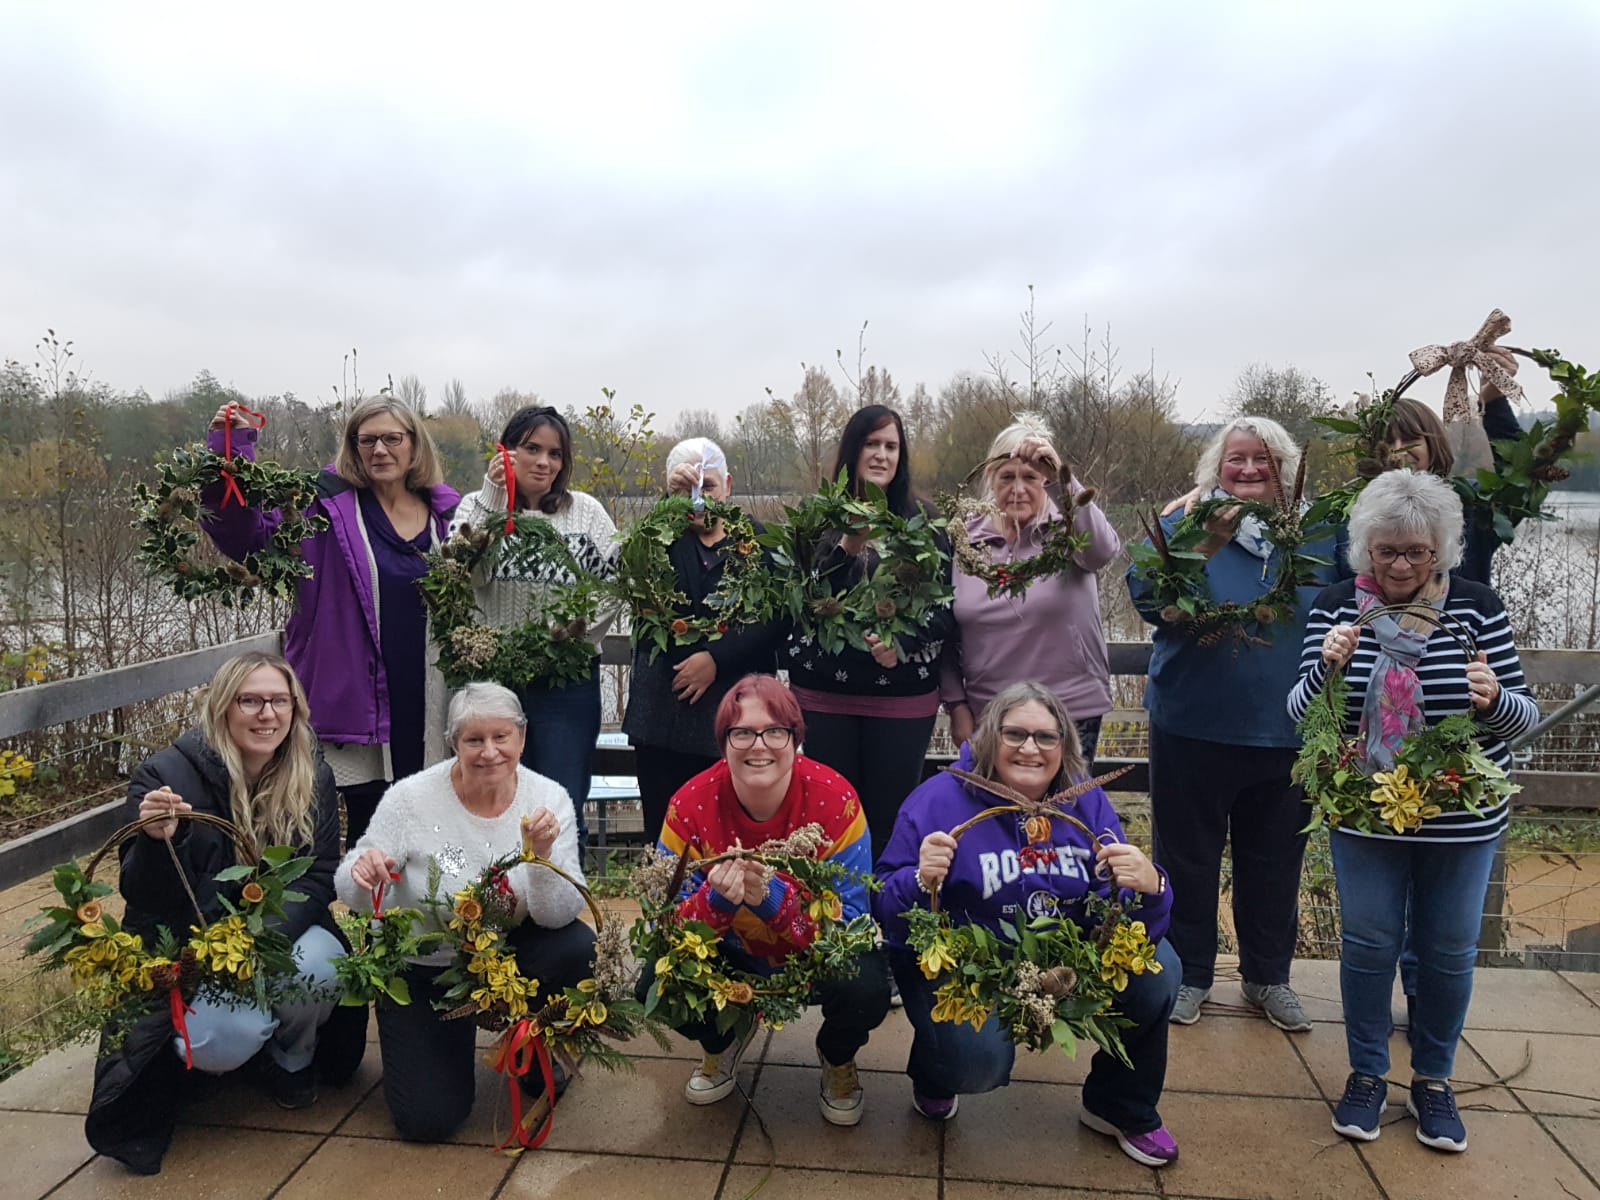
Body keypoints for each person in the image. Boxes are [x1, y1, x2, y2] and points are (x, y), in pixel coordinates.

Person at [1288, 470, 1538, 1153]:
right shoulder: (1339, 608)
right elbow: (1301, 718)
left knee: (1450, 951)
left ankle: (1434, 1079)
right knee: (1369, 945)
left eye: (1416, 552)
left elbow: (1524, 718)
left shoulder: (1477, 608)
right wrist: (1326, 668)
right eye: (1386, 550)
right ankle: (1367, 1073)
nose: (1399, 565)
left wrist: (1493, 700)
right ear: (1364, 548)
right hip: (1366, 811)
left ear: (1441, 552)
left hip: (1461, 818)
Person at [875, 681, 1181, 1166]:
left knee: (1159, 968)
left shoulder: (1086, 804)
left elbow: (1117, 908)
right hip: (966, 967)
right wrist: (918, 878)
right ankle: (937, 1068)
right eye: (1014, 734)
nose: (1030, 748)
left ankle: (1120, 1103)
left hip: (1062, 959)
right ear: (988, 738)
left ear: (1065, 745)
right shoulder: (936, 802)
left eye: (1046, 737)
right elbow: (886, 910)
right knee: (976, 1066)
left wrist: (1151, 888)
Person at [85, 653, 365, 1174]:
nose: (266, 714)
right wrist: (156, 842)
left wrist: (259, 945)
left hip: (277, 933)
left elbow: (318, 873)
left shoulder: (311, 773)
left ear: (295, 709)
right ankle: (218, 1058)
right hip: (196, 940)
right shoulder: (165, 776)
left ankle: (291, 1060)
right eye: (250, 700)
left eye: (279, 701)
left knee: (322, 967)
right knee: (219, 1038)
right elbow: (142, 894)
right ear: (223, 707)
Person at [1126, 416, 1333, 1031]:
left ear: (1285, 471)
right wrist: (1201, 543)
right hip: (1193, 722)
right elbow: (1144, 597)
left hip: (1286, 730)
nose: (1247, 470)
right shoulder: (1183, 524)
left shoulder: (1320, 535)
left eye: (1262, 460)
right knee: (1186, 858)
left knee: (1274, 861)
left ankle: (1267, 976)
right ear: (1216, 468)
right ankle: (1188, 974)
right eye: (1235, 459)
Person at [335, 682, 594, 1142]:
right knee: (427, 1121)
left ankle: (540, 1052)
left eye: (502, 737)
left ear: (522, 737)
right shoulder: (410, 798)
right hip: (428, 961)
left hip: (514, 954)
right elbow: (351, 881)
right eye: (474, 740)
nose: (489, 752)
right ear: (454, 742)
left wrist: (542, 856)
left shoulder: (549, 798)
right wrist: (363, 873)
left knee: (576, 947)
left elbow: (558, 915)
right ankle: (439, 1051)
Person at [204, 397, 459, 844]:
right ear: (353, 448)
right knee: (371, 825)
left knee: (435, 824)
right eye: (367, 440)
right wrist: (232, 451)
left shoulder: (448, 516)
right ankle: (368, 911)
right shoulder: (320, 509)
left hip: (428, 696)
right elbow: (246, 536)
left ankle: (451, 906)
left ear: (415, 446)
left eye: (392, 438)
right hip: (360, 697)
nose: (380, 450)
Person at [640, 674, 891, 1126]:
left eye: (776, 731)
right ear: (723, 742)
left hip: (811, 956)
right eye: (742, 732)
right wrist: (714, 904)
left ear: (796, 739)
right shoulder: (690, 805)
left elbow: (853, 922)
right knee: (651, 984)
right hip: (730, 956)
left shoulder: (836, 801)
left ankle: (836, 1055)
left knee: (866, 981)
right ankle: (724, 1038)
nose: (760, 745)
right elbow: (663, 922)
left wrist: (773, 899)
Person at [784, 405, 955, 865]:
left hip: (901, 699)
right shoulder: (816, 518)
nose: (881, 455)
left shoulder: (924, 522)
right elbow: (802, 601)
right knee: (829, 823)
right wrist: (849, 544)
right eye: (871, 444)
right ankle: (837, 925)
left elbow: (945, 608)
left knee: (891, 825)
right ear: (853, 450)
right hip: (824, 696)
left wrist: (901, 646)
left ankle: (888, 923)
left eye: (891, 446)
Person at [452, 405, 619, 853]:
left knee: (559, 801)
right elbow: (465, 573)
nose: (544, 462)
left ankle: (561, 907)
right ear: (507, 450)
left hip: (566, 683)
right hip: (494, 679)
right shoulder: (474, 506)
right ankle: (487, 905)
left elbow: (616, 583)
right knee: (489, 797)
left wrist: (572, 637)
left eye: (555, 453)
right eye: (531, 449)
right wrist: (493, 498)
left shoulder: (584, 514)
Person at [621, 437, 787, 842]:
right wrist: (666, 506)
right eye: (684, 489)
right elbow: (636, 586)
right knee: (663, 833)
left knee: (731, 831)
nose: (697, 499)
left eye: (707, 486)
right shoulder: (655, 541)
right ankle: (664, 902)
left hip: (734, 715)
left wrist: (715, 658)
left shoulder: (760, 541)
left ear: (727, 485)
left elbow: (777, 616)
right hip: (663, 713)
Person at [940, 415, 1121, 769]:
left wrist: (1061, 481)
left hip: (1069, 710)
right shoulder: (964, 539)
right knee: (994, 818)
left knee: (1065, 818)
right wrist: (956, 704)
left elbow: (1102, 551)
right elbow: (944, 628)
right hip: (991, 714)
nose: (1018, 489)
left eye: (1032, 477)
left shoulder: (1069, 530)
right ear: (991, 480)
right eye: (1007, 477)